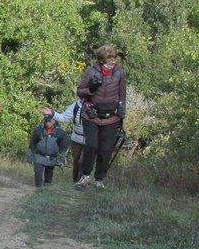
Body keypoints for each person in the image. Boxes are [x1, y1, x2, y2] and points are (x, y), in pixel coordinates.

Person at [74, 45, 127, 190]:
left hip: (111, 117)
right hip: (91, 115)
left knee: (106, 149)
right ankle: (84, 176)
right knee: (91, 146)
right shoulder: (91, 72)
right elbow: (80, 91)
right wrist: (91, 89)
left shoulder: (120, 73)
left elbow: (122, 94)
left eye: (114, 58)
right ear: (102, 59)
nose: (113, 61)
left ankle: (99, 179)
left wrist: (122, 111)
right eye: (109, 59)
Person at [44, 101, 86, 183]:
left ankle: (81, 183)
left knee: (82, 162)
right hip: (77, 138)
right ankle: (75, 182)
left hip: (91, 139)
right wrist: (52, 113)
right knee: (76, 162)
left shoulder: (97, 103)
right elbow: (64, 117)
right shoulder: (77, 105)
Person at [26, 112, 68, 187]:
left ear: (54, 121)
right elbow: (32, 144)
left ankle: (46, 192)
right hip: (39, 157)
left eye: (49, 121)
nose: (47, 123)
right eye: (46, 121)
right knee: (38, 176)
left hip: (51, 158)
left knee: (48, 180)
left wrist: (62, 159)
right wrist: (30, 157)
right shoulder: (38, 130)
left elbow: (63, 148)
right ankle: (38, 191)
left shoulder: (60, 132)